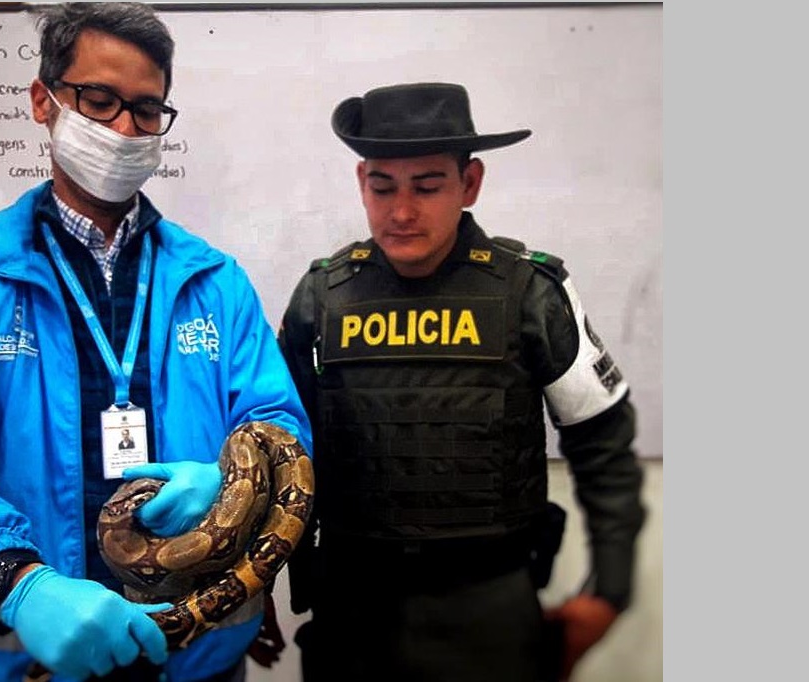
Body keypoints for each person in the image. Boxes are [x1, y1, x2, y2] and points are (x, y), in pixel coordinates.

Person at [0, 4, 311, 682]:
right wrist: (17, 582)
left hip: (197, 657)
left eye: (146, 109)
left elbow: (277, 423)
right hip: (32, 655)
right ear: (43, 101)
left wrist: (227, 482)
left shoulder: (216, 281)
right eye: (99, 101)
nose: (124, 129)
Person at [277, 82, 646, 682]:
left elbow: (602, 440)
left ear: (469, 183)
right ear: (361, 181)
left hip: (489, 612)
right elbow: (279, 450)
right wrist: (250, 584)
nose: (401, 212)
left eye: (427, 187)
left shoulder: (528, 292)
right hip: (353, 612)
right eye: (383, 187)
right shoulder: (322, 296)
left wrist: (610, 588)